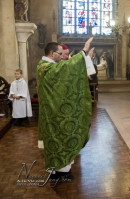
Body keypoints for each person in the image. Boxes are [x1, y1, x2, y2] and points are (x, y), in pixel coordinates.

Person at [36, 37, 95, 179]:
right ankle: (61, 173)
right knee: (60, 139)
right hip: (54, 112)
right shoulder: (45, 67)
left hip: (52, 110)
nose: (62, 56)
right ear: (51, 53)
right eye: (60, 53)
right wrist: (84, 51)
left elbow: (65, 73)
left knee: (56, 141)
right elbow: (65, 69)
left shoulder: (45, 65)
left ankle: (58, 171)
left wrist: (85, 58)